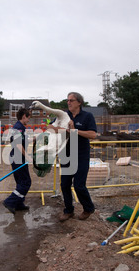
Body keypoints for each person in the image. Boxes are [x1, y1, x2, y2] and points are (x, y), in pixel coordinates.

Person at [48, 92, 97, 222]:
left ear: (79, 102)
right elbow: (50, 126)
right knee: (64, 184)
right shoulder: (64, 115)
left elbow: (93, 135)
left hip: (81, 155)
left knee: (79, 185)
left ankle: (88, 208)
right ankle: (68, 210)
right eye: (67, 100)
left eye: (71, 100)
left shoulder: (87, 116)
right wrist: (61, 129)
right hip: (66, 155)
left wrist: (75, 131)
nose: (68, 102)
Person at [3, 108, 33, 214]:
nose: (29, 120)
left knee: (20, 182)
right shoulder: (18, 128)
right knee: (26, 182)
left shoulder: (20, 128)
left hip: (18, 158)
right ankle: (9, 202)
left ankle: (19, 204)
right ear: (24, 116)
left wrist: (33, 139)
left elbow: (23, 140)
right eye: (28, 117)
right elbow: (18, 144)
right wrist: (28, 156)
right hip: (18, 158)